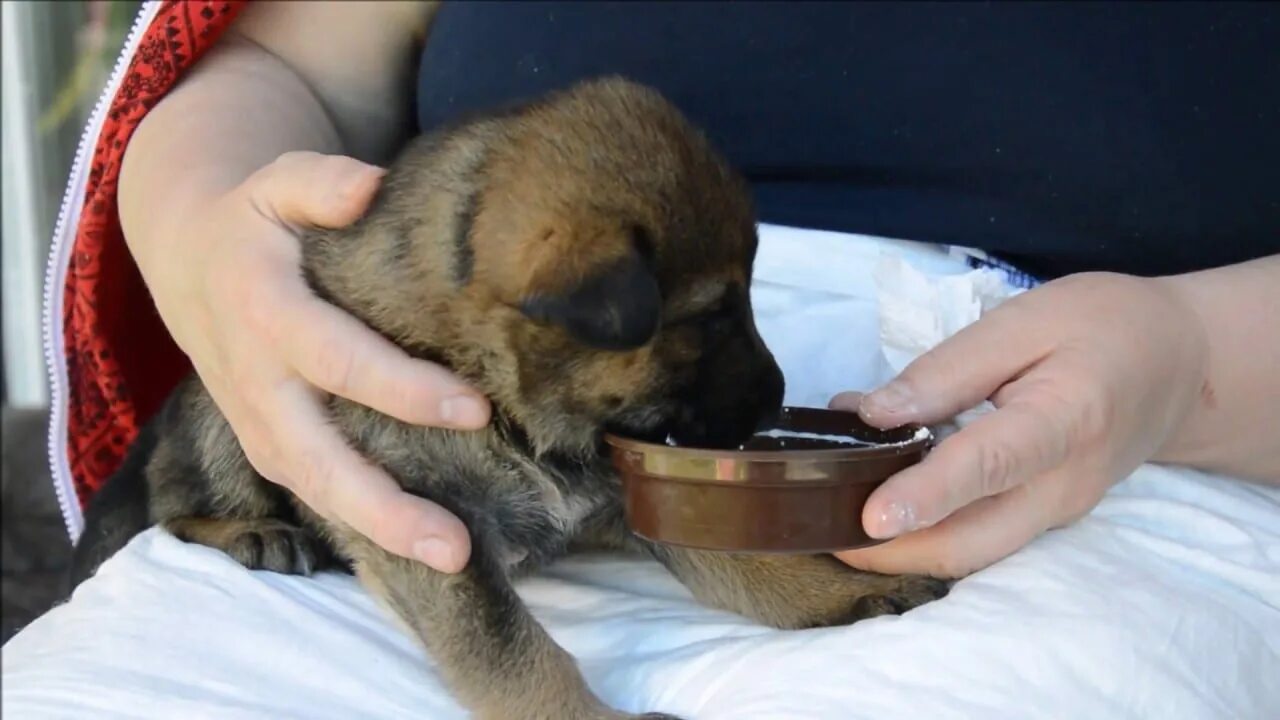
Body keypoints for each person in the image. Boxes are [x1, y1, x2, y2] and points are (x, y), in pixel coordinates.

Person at [66, 1, 1277, 581]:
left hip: (1129, 495)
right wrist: (205, 227)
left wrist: (1194, 360)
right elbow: (283, 57)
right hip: (414, 471)